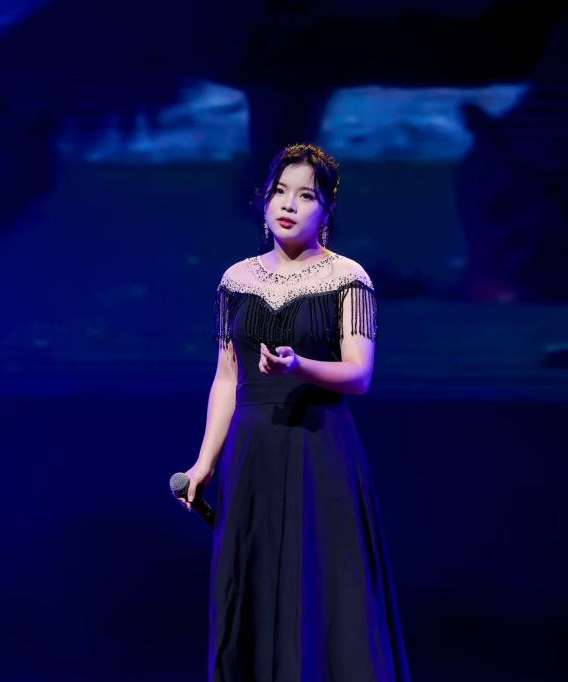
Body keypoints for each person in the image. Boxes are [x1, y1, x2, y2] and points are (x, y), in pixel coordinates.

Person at [176, 143, 412, 680]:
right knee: (251, 582)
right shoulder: (236, 280)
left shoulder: (347, 277)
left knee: (325, 583)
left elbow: (359, 374)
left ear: (327, 210)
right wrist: (204, 463)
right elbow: (227, 377)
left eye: (306, 196)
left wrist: (300, 366)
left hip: (319, 445)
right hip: (251, 449)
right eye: (279, 192)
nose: (288, 204)